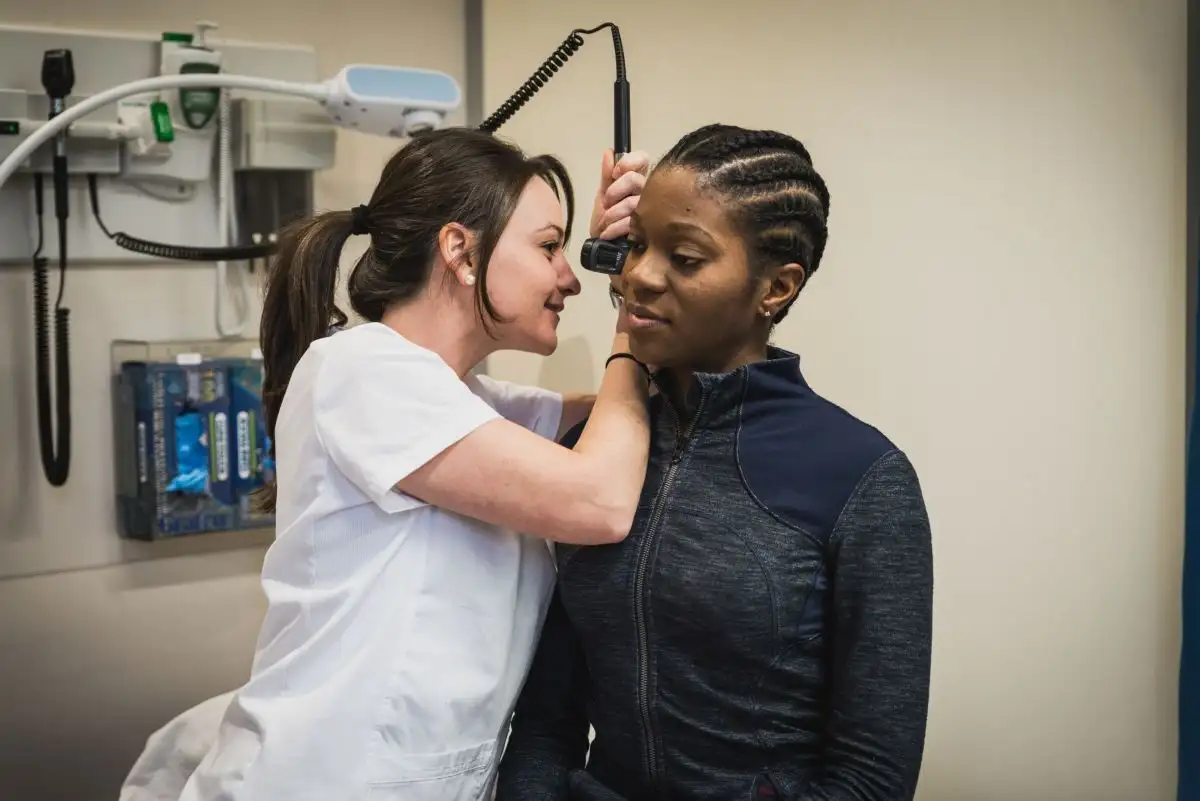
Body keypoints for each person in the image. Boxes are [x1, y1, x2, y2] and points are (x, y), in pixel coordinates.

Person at [175, 128, 654, 801]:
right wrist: (636, 306)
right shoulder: (362, 370)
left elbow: (624, 414)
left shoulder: (468, 401)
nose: (568, 275)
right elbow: (600, 500)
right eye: (550, 247)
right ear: (459, 249)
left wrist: (631, 269)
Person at [495, 124, 935, 801]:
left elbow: (870, 779)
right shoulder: (590, 460)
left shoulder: (863, 479)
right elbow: (547, 723)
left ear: (776, 288)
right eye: (636, 244)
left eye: (686, 257)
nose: (638, 274)